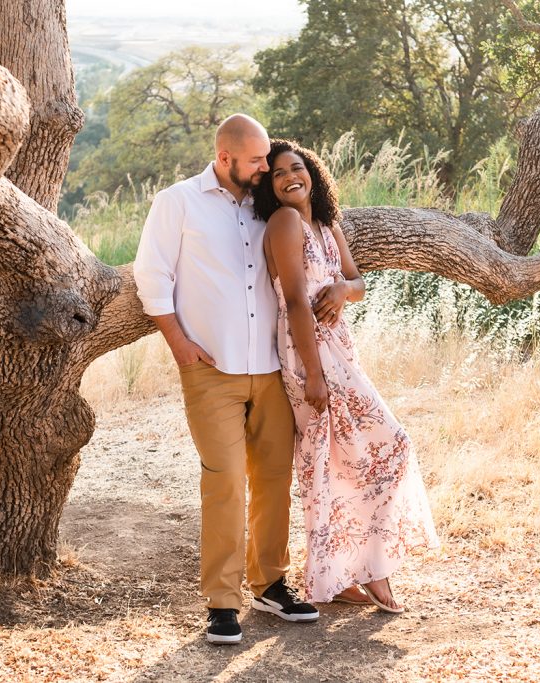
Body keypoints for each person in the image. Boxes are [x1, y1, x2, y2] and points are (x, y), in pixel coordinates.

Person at [134, 115, 319, 646]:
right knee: (224, 480)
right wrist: (179, 344)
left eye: (267, 160)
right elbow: (153, 275)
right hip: (210, 370)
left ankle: (272, 584)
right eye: (257, 160)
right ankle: (222, 602)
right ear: (225, 158)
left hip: (270, 366)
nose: (266, 167)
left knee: (274, 478)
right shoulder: (178, 202)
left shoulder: (270, 208)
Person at [253, 139, 440, 613]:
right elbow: (294, 301)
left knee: (345, 459)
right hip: (307, 352)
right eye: (277, 173)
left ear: (312, 172)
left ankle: (344, 574)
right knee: (380, 445)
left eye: (297, 168)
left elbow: (357, 283)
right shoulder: (284, 222)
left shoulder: (325, 223)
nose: (289, 177)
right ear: (270, 187)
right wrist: (312, 375)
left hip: (340, 349)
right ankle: (369, 572)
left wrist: (340, 289)